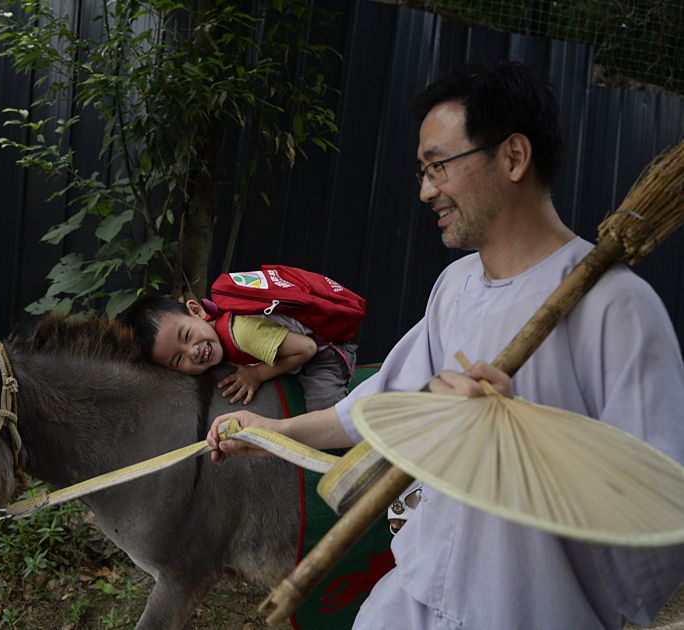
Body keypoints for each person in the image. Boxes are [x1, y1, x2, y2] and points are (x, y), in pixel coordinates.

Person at [207, 61, 684, 629]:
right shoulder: (455, 287)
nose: (427, 190)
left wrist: (519, 435)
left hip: (528, 610)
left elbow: (659, 504)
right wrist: (278, 434)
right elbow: (380, 402)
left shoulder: (617, 308)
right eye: (422, 171)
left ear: (513, 156)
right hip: (418, 597)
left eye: (438, 167)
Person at [124, 295, 357, 410]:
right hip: (294, 351)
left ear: (195, 311)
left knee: (326, 412)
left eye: (186, 336)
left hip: (324, 351)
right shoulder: (215, 342)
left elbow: (307, 349)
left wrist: (257, 375)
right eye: (178, 358)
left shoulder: (241, 332)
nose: (192, 351)